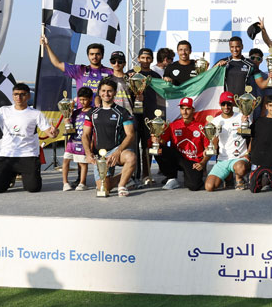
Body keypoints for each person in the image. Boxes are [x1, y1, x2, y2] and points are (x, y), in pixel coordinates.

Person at [0, 83, 56, 193]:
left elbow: (51, 133)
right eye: (16, 94)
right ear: (13, 96)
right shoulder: (3, 111)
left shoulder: (35, 113)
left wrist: (54, 132)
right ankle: (10, 175)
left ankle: (26, 174)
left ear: (28, 96)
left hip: (28, 155)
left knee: (33, 188)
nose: (18, 97)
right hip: (8, 154)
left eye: (22, 94)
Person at [81, 78, 137, 197]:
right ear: (99, 92)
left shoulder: (122, 112)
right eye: (103, 91)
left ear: (115, 93)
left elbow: (130, 134)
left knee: (131, 157)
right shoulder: (92, 113)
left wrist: (118, 151)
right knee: (104, 188)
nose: (106, 94)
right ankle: (127, 177)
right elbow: (85, 135)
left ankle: (122, 186)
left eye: (109, 91)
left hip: (117, 150)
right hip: (100, 156)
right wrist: (88, 153)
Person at [153, 96, 208, 191]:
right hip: (177, 157)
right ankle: (171, 178)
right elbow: (163, 142)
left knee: (194, 186)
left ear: (193, 110)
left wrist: (202, 163)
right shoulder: (173, 125)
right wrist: (157, 138)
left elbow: (208, 149)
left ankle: (192, 177)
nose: (184, 112)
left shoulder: (201, 127)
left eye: (188, 109)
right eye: (182, 109)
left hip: (193, 160)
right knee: (159, 150)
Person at [205, 92, 250, 192]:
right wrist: (208, 150)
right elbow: (214, 142)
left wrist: (248, 153)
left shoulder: (242, 117)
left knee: (240, 168)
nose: (226, 107)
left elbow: (252, 138)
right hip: (223, 159)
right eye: (223, 104)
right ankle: (228, 178)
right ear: (220, 104)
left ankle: (240, 179)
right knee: (209, 187)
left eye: (229, 104)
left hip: (239, 158)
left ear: (233, 104)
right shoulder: (215, 121)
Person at [40, 36, 112, 99]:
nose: (94, 57)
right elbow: (57, 63)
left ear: (102, 56)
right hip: (82, 110)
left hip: (101, 109)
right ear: (88, 56)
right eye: (92, 54)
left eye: (97, 54)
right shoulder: (79, 70)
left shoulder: (110, 72)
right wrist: (46, 45)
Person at [133, 47, 164, 185]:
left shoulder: (156, 76)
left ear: (152, 60)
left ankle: (146, 174)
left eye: (148, 58)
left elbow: (161, 97)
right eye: (143, 58)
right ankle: (134, 175)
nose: (145, 60)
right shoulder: (131, 74)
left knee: (147, 146)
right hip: (134, 115)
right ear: (138, 59)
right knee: (134, 146)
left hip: (150, 116)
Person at [62, 87, 93, 191]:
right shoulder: (75, 112)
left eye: (85, 99)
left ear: (90, 99)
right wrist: (67, 121)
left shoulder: (93, 112)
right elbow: (70, 126)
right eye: (81, 99)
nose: (82, 102)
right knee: (66, 160)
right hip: (72, 141)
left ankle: (82, 183)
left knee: (82, 163)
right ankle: (65, 183)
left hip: (84, 142)